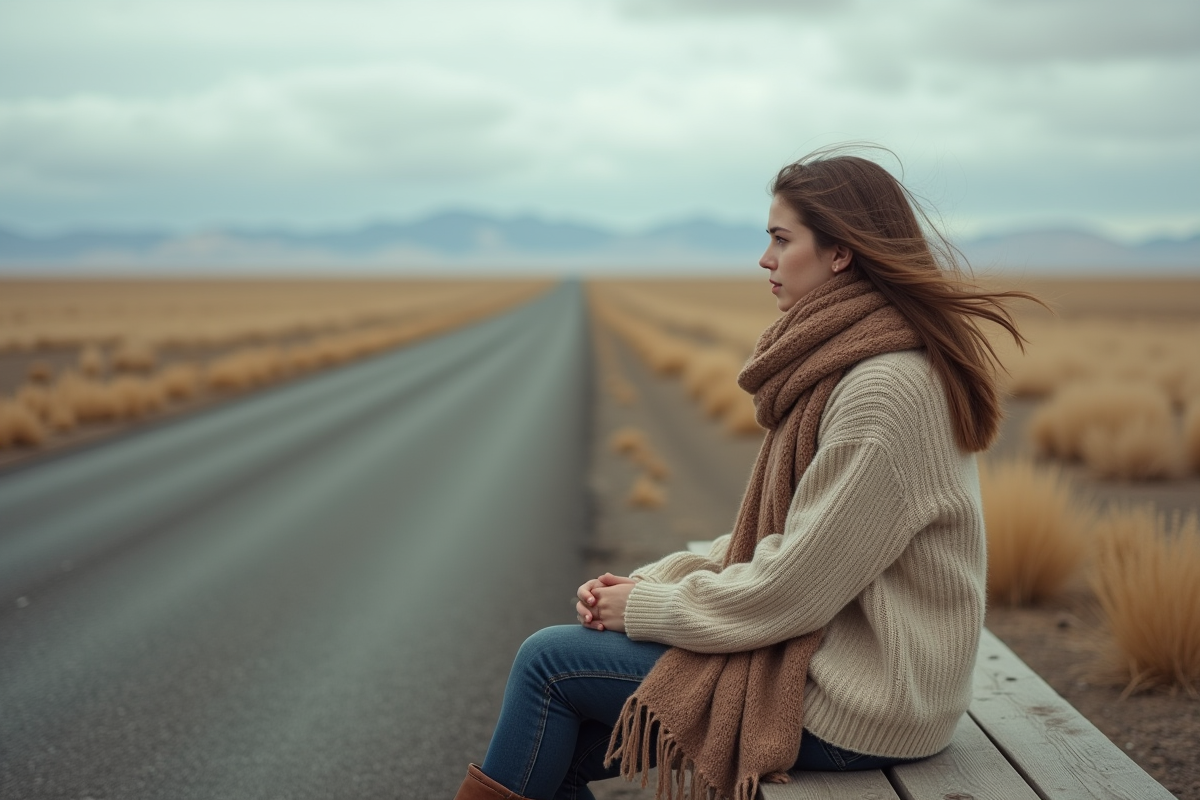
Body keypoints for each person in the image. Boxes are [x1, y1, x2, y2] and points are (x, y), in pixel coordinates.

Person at [451, 147, 1035, 800]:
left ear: (839, 252)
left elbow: (793, 586)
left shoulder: (885, 389)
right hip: (850, 668)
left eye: (782, 241)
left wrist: (644, 609)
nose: (765, 260)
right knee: (566, 733)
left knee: (549, 666)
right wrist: (650, 581)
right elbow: (770, 548)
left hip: (868, 704)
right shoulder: (848, 363)